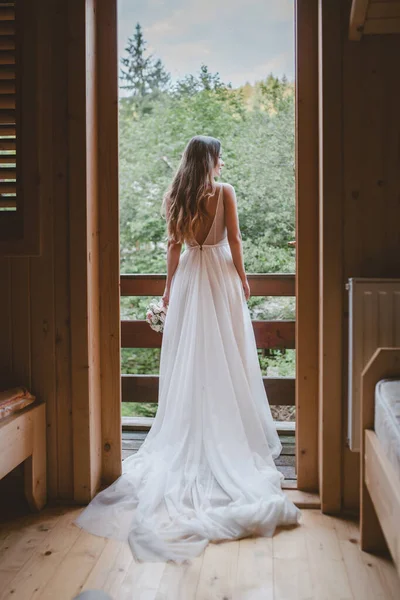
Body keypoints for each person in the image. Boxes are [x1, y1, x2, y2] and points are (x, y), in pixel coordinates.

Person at [73, 135, 301, 564]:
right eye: (220, 156)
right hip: (219, 277)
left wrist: (166, 294)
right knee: (227, 356)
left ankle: (192, 426)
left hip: (189, 281)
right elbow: (234, 241)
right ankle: (223, 427)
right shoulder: (225, 193)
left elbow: (173, 249)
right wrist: (245, 280)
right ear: (210, 160)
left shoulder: (176, 195)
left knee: (189, 360)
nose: (223, 162)